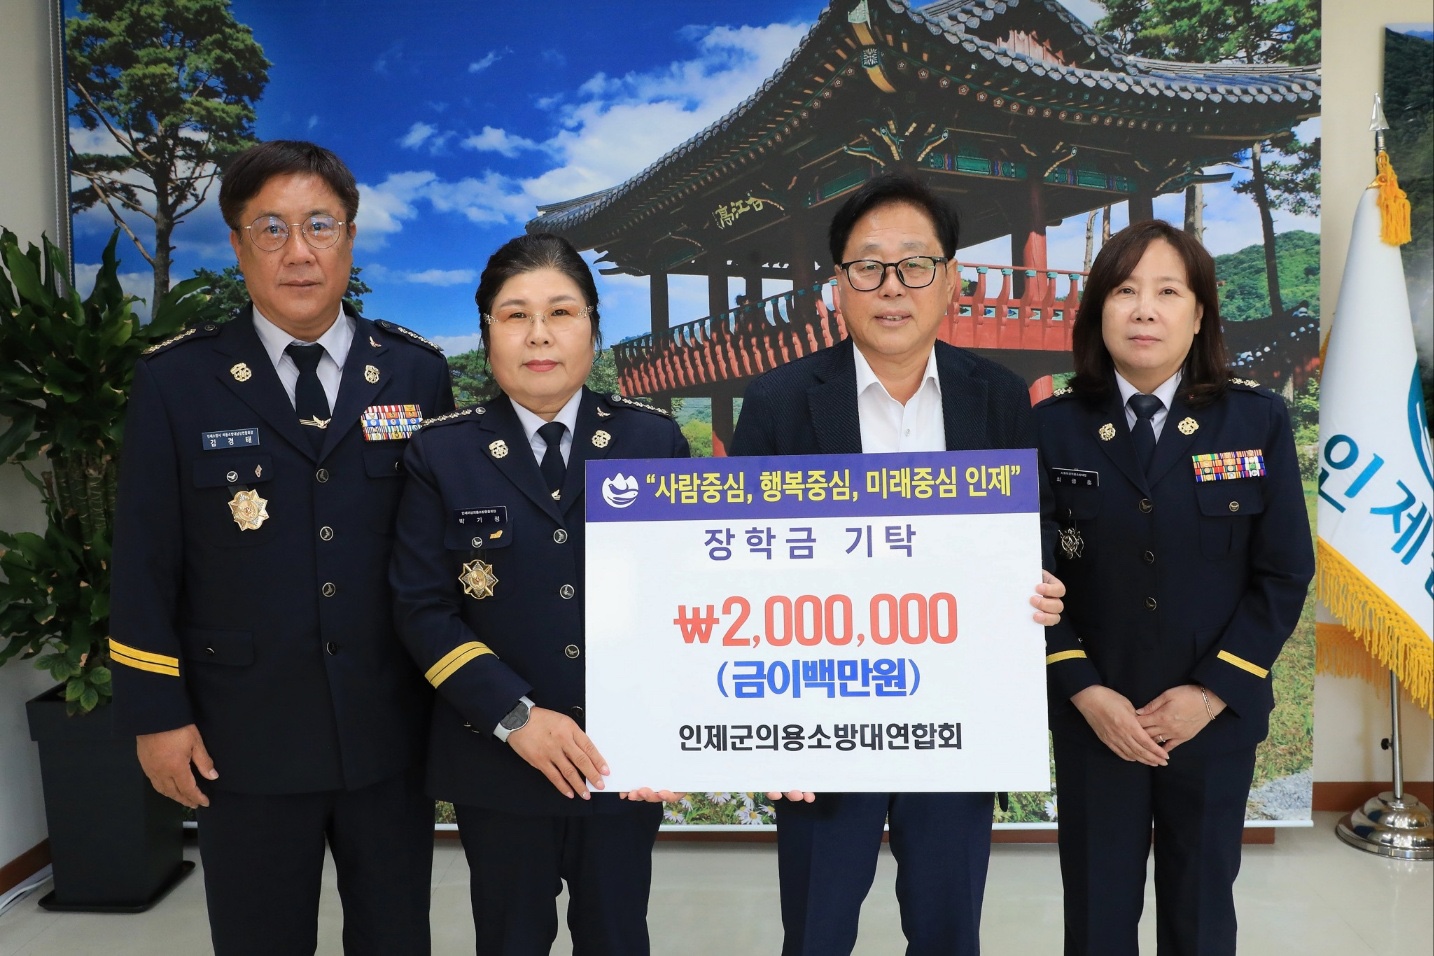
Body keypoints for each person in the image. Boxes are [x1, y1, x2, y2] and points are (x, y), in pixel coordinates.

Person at [108, 140, 454, 954]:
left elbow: (439, 553)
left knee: (397, 936)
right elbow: (144, 562)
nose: (299, 252)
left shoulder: (415, 373)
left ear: (350, 239)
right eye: (271, 229)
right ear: (237, 245)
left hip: (387, 729)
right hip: (242, 737)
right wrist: (157, 715)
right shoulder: (176, 382)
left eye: (319, 226)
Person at [729, 172, 1066, 956]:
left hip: (959, 710)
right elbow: (740, 556)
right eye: (868, 266)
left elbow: (1035, 522)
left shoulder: (1000, 396)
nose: (892, 286)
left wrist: (1040, 578)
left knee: (949, 930)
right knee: (816, 933)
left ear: (950, 279)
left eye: (915, 264)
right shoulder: (779, 400)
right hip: (821, 713)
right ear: (837, 285)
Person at [389, 233, 689, 955]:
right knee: (509, 939)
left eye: (560, 311)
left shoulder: (653, 443)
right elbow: (422, 607)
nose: (539, 334)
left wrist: (672, 732)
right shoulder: (440, 452)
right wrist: (516, 717)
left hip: (621, 755)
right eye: (515, 314)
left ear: (593, 327)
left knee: (618, 936)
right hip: (497, 758)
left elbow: (684, 601)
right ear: (487, 331)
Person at [1035, 219, 1314, 956]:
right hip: (1097, 717)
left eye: (1167, 292)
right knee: (1096, 916)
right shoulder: (1052, 429)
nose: (1144, 310)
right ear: (1099, 311)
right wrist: (1084, 691)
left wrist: (1212, 692)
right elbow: (1028, 579)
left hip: (1212, 721)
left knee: (1200, 914)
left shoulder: (1254, 420)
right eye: (1124, 291)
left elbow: (1284, 571)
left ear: (1199, 315)